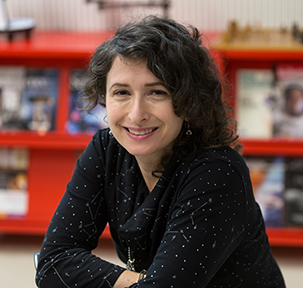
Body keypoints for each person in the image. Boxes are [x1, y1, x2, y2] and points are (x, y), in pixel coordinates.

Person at [35, 16, 285, 288]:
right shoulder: (107, 148)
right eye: (121, 93)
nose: (136, 114)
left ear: (188, 101)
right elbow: (52, 263)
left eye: (156, 93)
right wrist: (142, 280)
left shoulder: (219, 174)